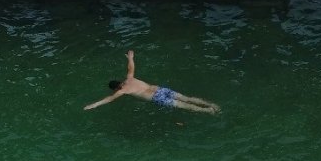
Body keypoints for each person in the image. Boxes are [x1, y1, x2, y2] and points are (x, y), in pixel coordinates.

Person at [83, 50, 219, 114]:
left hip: (155, 97)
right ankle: (211, 104)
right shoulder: (129, 78)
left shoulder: (122, 91)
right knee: (186, 98)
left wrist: (94, 105)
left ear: (116, 88)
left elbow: (109, 99)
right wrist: (130, 57)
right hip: (159, 89)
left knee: (182, 105)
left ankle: (208, 111)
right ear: (120, 81)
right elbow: (131, 67)